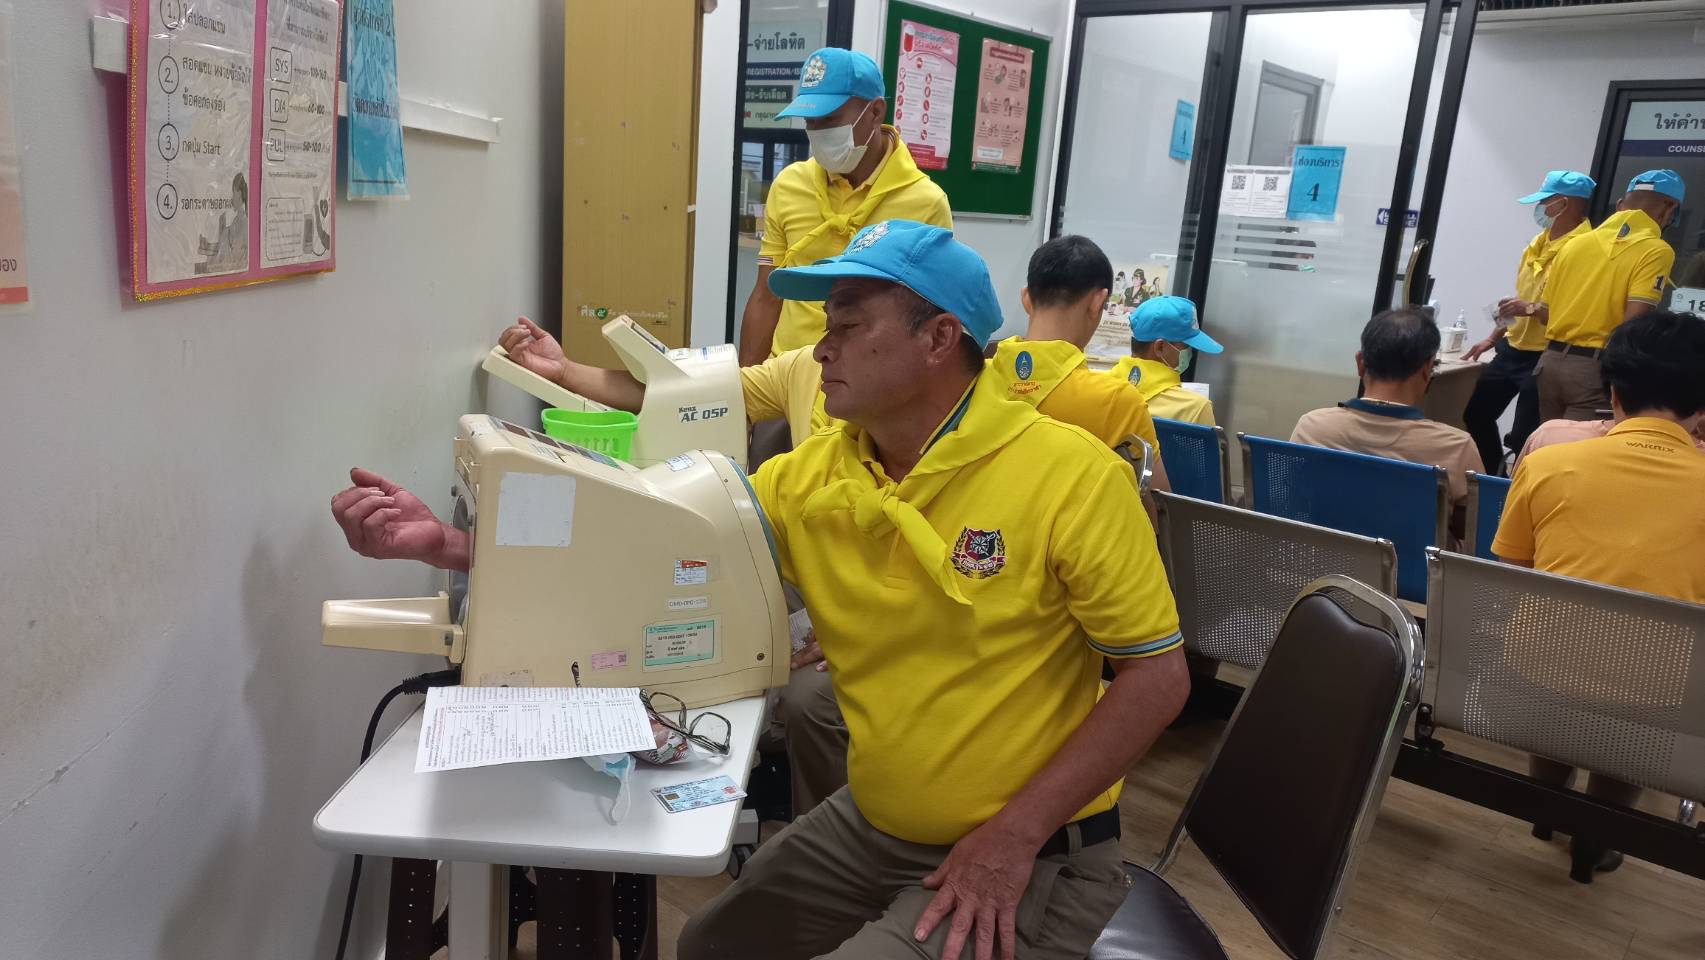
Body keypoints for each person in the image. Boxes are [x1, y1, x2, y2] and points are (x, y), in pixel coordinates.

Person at [1490, 310, 1705, 875]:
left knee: (1556, 654)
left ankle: (1546, 807)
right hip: (1656, 693)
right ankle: (1598, 834)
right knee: (1649, 682)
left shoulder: (1549, 463)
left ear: (1612, 394)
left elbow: (1512, 571)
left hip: (1537, 672)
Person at [739, 47, 952, 364]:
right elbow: (766, 295)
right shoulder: (788, 186)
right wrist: (747, 384)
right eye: (810, 121)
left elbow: (929, 317)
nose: (818, 132)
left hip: (871, 379)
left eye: (830, 120)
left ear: (875, 112)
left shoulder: (925, 203)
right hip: (787, 372)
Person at [1459, 170, 1594, 474]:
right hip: (1512, 348)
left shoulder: (1585, 248)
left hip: (1546, 354)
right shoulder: (1537, 243)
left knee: (1525, 435)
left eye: (1545, 201)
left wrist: (1530, 308)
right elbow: (1522, 298)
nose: (1540, 208)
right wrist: (1492, 338)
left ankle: (1517, 489)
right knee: (1476, 414)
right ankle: (1494, 476)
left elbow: (1573, 313)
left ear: (1565, 203)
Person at [1291, 307, 1484, 518]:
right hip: (1412, 542)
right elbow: (1475, 525)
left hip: (1324, 539)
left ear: (1360, 363)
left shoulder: (1311, 428)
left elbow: (1293, 497)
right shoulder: (1456, 448)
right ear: (1426, 370)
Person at [1532, 169, 1683, 421]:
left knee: (1549, 441)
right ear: (1670, 208)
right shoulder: (1656, 250)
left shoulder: (1573, 244)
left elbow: (1545, 314)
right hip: (1594, 369)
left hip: (1550, 364)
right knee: (1583, 446)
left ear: (1621, 205)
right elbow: (1634, 323)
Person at [1107, 295, 1221, 426]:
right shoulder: (1195, 408)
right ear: (1160, 347)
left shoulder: (1099, 385)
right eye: (1186, 346)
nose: (1190, 352)